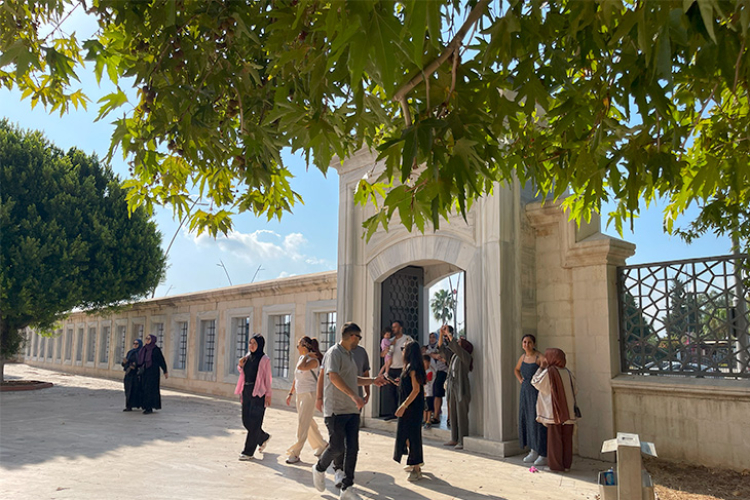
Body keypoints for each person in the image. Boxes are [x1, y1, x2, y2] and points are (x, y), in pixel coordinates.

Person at [311, 322, 386, 500]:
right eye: (359, 337)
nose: (359, 341)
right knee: (337, 447)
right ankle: (319, 468)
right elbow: (333, 377)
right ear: (353, 336)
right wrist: (354, 396)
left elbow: (354, 379)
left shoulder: (350, 356)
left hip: (352, 411)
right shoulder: (333, 353)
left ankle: (347, 488)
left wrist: (373, 381)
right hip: (336, 410)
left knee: (353, 448)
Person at [532, 348, 577, 472]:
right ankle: (566, 465)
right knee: (567, 439)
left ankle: (556, 466)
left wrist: (540, 368)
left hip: (554, 412)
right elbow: (575, 390)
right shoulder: (567, 372)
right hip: (568, 411)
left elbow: (535, 382)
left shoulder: (549, 372)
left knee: (555, 439)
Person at [286, 336, 328, 464]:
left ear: (305, 347)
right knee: (308, 422)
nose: (297, 348)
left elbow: (301, 368)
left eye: (299, 345)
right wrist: (290, 393)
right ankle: (322, 445)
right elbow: (296, 377)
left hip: (309, 394)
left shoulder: (313, 361)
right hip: (300, 394)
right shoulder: (301, 359)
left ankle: (295, 453)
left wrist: (307, 355)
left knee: (302, 424)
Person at [235, 334, 272, 461]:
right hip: (246, 392)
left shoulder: (264, 359)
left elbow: (268, 378)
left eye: (254, 343)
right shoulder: (246, 358)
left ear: (260, 345)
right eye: (250, 343)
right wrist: (240, 365)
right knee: (246, 421)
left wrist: (268, 395)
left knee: (255, 422)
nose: (251, 345)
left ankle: (248, 452)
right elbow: (243, 373)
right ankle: (263, 437)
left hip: (259, 394)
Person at [393, 341, 426, 482]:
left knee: (412, 436)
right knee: (406, 435)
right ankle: (415, 462)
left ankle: (415, 466)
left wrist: (404, 406)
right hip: (409, 407)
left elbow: (416, 390)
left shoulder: (413, 368)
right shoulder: (408, 368)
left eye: (403, 349)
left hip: (412, 408)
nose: (402, 351)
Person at [514, 334, 548, 466]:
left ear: (533, 344)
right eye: (524, 342)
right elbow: (516, 370)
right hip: (525, 391)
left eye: (529, 342)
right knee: (527, 419)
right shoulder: (522, 357)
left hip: (536, 392)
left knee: (536, 420)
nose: (526, 344)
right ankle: (532, 449)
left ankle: (541, 452)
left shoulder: (540, 357)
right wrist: (520, 379)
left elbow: (546, 371)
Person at [438, 324, 473, 449]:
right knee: (452, 412)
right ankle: (454, 438)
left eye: (459, 342)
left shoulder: (466, 357)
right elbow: (441, 349)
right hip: (452, 385)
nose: (456, 343)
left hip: (461, 387)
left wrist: (449, 334)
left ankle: (462, 440)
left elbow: (455, 347)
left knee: (461, 413)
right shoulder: (454, 356)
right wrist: (442, 335)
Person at [382, 320, 413, 420]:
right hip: (391, 368)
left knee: (402, 391)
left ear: (400, 328)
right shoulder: (389, 340)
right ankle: (393, 413)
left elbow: (413, 351)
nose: (393, 329)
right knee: (391, 392)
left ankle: (403, 413)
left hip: (402, 369)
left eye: (395, 327)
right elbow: (382, 354)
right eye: (392, 327)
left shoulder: (407, 338)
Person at [137, 334, 168, 415]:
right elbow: (140, 360)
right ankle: (145, 406)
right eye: (146, 338)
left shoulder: (155, 350)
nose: (147, 340)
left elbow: (161, 360)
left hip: (153, 372)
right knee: (144, 388)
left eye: (149, 339)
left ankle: (149, 407)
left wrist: (165, 370)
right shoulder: (144, 349)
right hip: (145, 372)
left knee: (150, 389)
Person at [424, 331, 447, 424]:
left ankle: (437, 415)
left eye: (434, 337)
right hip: (431, 373)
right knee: (429, 395)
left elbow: (440, 355)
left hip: (442, 371)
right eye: (430, 337)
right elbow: (428, 354)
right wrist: (431, 354)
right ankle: (428, 417)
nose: (432, 339)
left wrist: (432, 354)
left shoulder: (443, 346)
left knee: (438, 393)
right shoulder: (427, 348)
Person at [121, 338, 143, 411]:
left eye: (137, 344)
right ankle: (128, 406)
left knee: (136, 390)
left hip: (136, 374)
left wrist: (135, 365)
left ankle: (138, 404)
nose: (135, 345)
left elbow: (142, 363)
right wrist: (125, 363)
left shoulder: (141, 353)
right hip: (129, 373)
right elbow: (125, 363)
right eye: (134, 343)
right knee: (128, 390)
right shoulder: (130, 352)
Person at [422, 354, 436, 429]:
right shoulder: (423, 371)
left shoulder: (430, 371)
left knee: (429, 407)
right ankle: (424, 419)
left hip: (428, 392)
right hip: (423, 392)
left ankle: (428, 420)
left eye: (425, 362)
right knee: (424, 407)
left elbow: (428, 380)